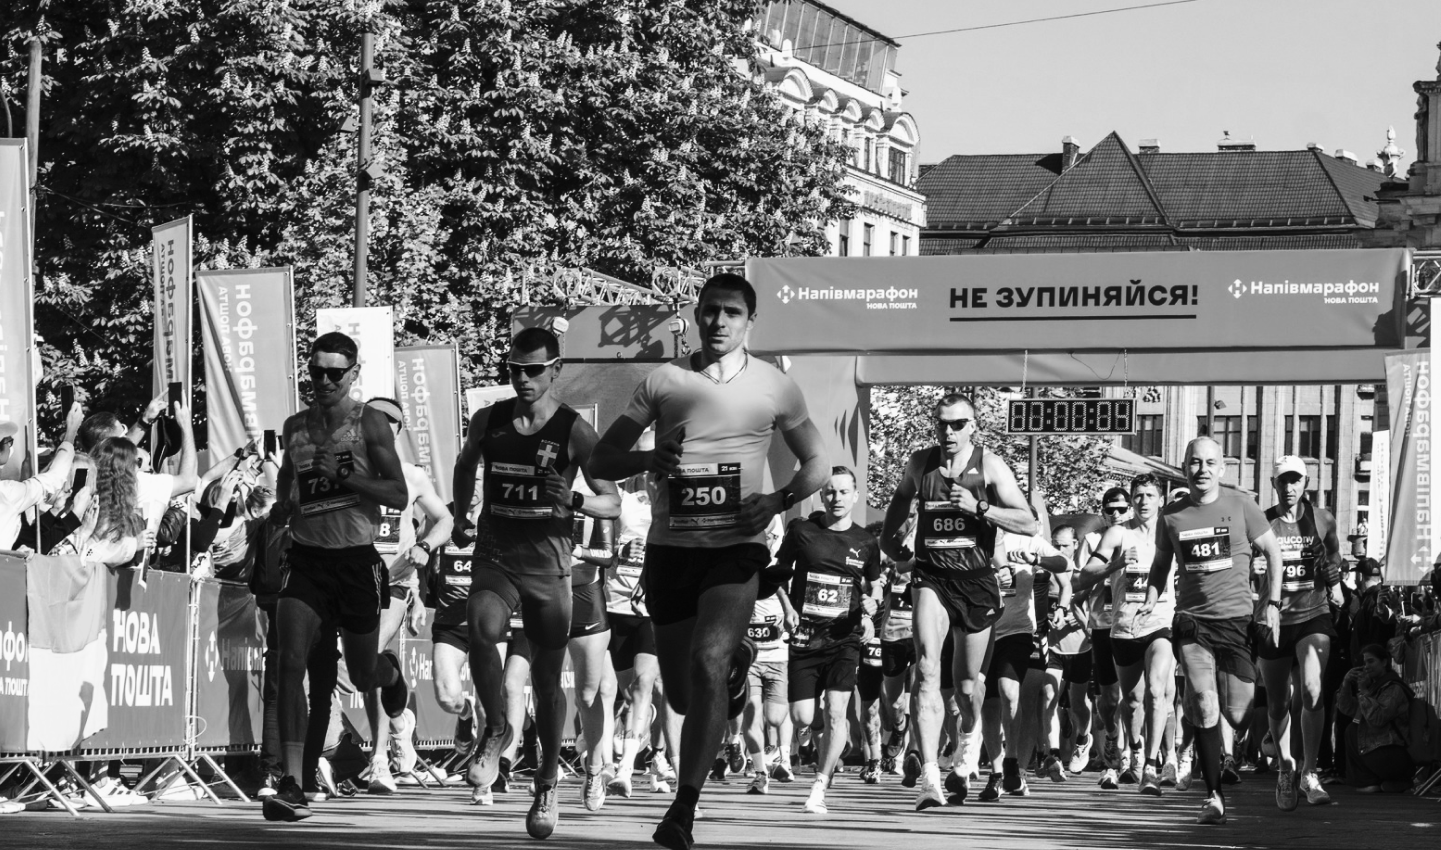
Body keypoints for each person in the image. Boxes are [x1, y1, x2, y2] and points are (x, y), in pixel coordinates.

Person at [589, 273, 828, 850]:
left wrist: (777, 500)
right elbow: (603, 456)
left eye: (732, 313)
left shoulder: (775, 386)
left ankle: (683, 810)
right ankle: (732, 678)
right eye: (710, 312)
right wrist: (650, 454)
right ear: (696, 316)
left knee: (708, 656)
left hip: (736, 548)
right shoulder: (664, 381)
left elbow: (817, 461)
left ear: (750, 323)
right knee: (680, 693)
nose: (720, 322)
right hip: (671, 550)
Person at [450, 326, 620, 839]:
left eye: (533, 370)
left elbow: (611, 501)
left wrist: (575, 501)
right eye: (514, 370)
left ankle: (547, 781)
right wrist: (462, 515)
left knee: (547, 685)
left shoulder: (574, 431)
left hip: (549, 568)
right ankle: (496, 729)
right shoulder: (489, 420)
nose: (522, 379)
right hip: (497, 554)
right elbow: (464, 466)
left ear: (555, 370)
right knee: (481, 628)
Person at [261, 332, 412, 823]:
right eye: (317, 371)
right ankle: (289, 782)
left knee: (363, 676)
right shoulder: (295, 427)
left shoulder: (368, 422)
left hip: (357, 563)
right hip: (307, 561)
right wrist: (283, 507)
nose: (324, 381)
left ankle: (391, 673)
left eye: (335, 373)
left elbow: (396, 494)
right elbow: (289, 481)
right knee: (290, 662)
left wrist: (344, 477)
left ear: (353, 374)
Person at [879, 392, 1038, 809]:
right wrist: (888, 540)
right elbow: (899, 498)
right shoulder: (920, 464)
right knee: (927, 669)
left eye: (957, 424)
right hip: (931, 578)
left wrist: (981, 507)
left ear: (973, 426)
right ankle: (931, 775)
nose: (948, 432)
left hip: (976, 583)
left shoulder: (989, 465)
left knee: (968, 688)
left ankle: (968, 743)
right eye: (942, 424)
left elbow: (1029, 520)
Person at [1140, 437, 1283, 825]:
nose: (1202, 469)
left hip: (1237, 621)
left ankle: (1222, 744)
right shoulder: (1171, 515)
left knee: (1237, 713)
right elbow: (1160, 564)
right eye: (1195, 463)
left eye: (1209, 462)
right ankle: (1213, 796)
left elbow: (1272, 552)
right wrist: (1152, 597)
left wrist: (1271, 603)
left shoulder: (1242, 505)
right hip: (1192, 621)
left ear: (1222, 468)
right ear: (1185, 467)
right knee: (1203, 702)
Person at [773, 467, 881, 815]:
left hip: (844, 638)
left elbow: (874, 585)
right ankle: (822, 736)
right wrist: (788, 608)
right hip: (805, 636)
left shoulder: (866, 541)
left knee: (837, 711)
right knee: (803, 716)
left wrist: (871, 606)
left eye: (843, 492)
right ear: (822, 496)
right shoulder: (802, 531)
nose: (837, 498)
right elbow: (778, 574)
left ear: (855, 496)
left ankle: (819, 785)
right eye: (830, 492)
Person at [361, 397, 453, 794]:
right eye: (369, 420)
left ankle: (379, 760)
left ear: (397, 430)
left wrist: (425, 547)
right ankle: (398, 714)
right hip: (350, 576)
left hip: (393, 580)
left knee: (364, 659)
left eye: (385, 421)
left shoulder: (412, 476)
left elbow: (444, 519)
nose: (375, 427)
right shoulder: (348, 470)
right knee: (360, 669)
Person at [1076, 474, 1175, 796]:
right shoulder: (1118, 533)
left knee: (1157, 691)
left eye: (1150, 495)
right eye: (1138, 495)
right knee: (1131, 702)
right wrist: (1116, 563)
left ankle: (1151, 764)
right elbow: (1084, 577)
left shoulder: (1171, 531)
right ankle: (1132, 748)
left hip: (1161, 623)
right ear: (1131, 500)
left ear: (1161, 499)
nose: (1143, 501)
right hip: (1123, 628)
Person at [1259, 455, 1342, 808]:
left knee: (1311, 688)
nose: (1289, 487)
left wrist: (1335, 583)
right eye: (1283, 481)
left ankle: (1310, 772)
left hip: (1313, 613)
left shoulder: (1322, 519)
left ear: (1305, 483)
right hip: (1274, 618)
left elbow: (1334, 555)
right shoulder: (1263, 522)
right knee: (1278, 702)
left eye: (1296, 481)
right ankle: (1284, 767)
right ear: (1274, 485)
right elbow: (1245, 563)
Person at [976, 514, 1068, 802]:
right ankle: (997, 772)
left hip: (1018, 630)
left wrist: (1035, 559)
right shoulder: (979, 536)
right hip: (982, 630)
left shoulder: (1029, 540)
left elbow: (1065, 565)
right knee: (987, 705)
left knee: (1010, 691)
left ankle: (1013, 758)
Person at [1078, 488, 1129, 789]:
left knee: (1136, 697)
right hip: (1102, 625)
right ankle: (1111, 737)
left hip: (1137, 625)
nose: (1117, 515)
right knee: (1109, 701)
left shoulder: (1143, 537)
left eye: (1122, 509)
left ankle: (1130, 760)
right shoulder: (1092, 541)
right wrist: (1110, 569)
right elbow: (1080, 581)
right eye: (1110, 510)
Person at [1044, 524, 1093, 778]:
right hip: (1052, 647)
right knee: (1048, 698)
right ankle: (1052, 755)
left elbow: (1094, 615)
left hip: (1080, 647)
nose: (1059, 549)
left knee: (1077, 706)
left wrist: (1076, 619)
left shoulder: (1083, 575)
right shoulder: (1044, 572)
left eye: (1064, 544)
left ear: (1076, 545)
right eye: (1055, 544)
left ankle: (1083, 739)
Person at [0, 402, 83, 550]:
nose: (10, 446)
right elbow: (54, 479)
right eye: (8, 442)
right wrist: (70, 434)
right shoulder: (7, 493)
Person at [1335, 643, 1414, 792]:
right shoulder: (1375, 686)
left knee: (1354, 730)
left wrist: (1363, 691)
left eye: (1371, 661)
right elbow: (1347, 708)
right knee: (1351, 728)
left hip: (1395, 754)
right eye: (1364, 662)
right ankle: (1379, 782)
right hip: (1380, 750)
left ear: (1384, 662)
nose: (1366, 666)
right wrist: (1345, 683)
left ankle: (1375, 780)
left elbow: (1377, 718)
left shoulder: (1394, 688)